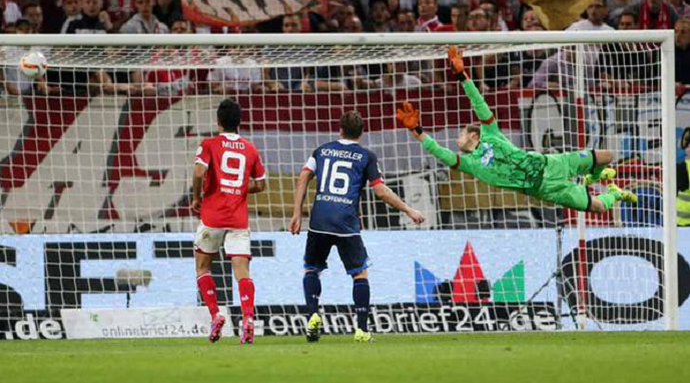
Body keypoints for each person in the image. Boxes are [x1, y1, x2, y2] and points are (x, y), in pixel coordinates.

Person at [399, 47, 638, 215]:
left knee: (607, 156)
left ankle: (595, 177)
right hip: (546, 189)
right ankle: (615, 193)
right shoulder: (469, 163)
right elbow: (439, 152)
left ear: (475, 135)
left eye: (462, 133)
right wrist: (418, 131)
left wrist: (463, 76)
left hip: (552, 163)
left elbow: (478, 102)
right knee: (598, 207)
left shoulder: (491, 133)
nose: (457, 138)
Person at [289, 110, 424, 343]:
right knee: (359, 273)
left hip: (319, 219)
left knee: (312, 269)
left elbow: (303, 176)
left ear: (339, 129)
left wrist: (296, 213)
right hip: (346, 222)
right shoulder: (366, 156)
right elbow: (381, 191)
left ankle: (312, 316)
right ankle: (361, 330)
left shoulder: (321, 150)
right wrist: (409, 210)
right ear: (362, 132)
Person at [192, 99, 267, 345]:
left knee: (203, 267)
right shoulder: (250, 148)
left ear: (218, 122)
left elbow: (199, 172)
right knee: (242, 271)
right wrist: (238, 190)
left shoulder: (209, 145)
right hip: (237, 218)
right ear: (239, 122)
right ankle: (247, 319)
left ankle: (216, 314)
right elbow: (261, 184)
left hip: (212, 215)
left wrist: (196, 198)